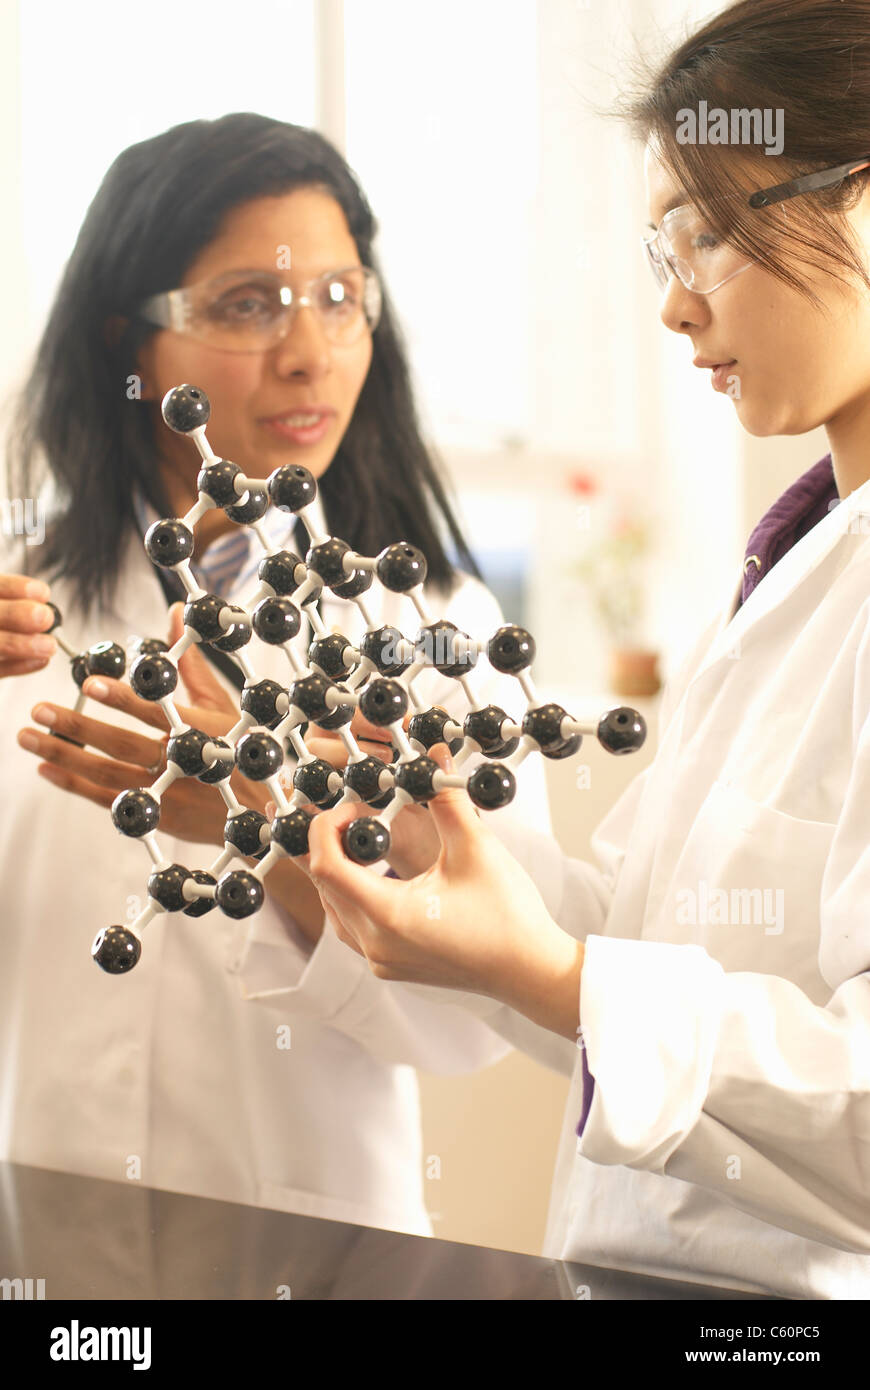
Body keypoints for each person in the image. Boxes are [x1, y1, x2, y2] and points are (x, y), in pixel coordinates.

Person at [294, 0, 870, 1299]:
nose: (670, 304)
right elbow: (649, 942)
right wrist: (441, 853)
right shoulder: (793, 565)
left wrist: (555, 974)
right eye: (655, 246)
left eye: (703, 237)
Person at [0, 113, 556, 1238]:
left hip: (310, 1248)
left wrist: (266, 834)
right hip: (47, 1240)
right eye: (247, 304)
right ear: (128, 344)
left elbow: (475, 1017)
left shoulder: (433, 632)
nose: (308, 352)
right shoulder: (22, 609)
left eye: (340, 297)